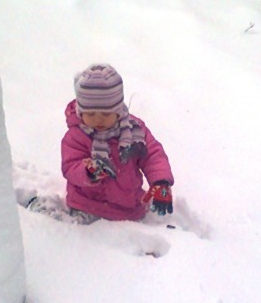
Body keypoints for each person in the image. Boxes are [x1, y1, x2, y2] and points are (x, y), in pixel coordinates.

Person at [56, 63, 174, 224]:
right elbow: (70, 167)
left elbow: (153, 156)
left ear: (118, 109)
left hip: (130, 207)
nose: (98, 119)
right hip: (88, 206)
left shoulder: (134, 130)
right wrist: (89, 172)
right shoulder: (76, 136)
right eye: (90, 113)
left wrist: (161, 181)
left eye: (106, 113)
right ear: (80, 111)